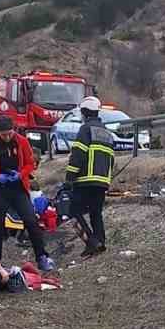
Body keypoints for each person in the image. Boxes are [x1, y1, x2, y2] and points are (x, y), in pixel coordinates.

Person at [0, 115, 55, 271]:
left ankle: (42, 256)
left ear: (13, 130)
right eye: (3, 134)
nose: (7, 137)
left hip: (18, 188)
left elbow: (29, 163)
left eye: (9, 133)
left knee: (31, 221)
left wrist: (20, 174)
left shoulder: (22, 141)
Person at [64, 95, 116, 257]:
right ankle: (100, 241)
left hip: (85, 180)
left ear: (84, 113)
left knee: (73, 212)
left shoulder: (85, 129)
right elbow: (111, 159)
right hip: (102, 181)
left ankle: (91, 242)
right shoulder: (107, 133)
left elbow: (78, 155)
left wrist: (69, 178)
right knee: (96, 212)